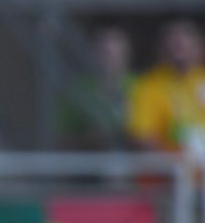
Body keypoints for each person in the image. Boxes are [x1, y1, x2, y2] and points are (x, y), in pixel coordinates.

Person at [127, 18, 205, 156]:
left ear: (199, 47)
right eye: (174, 47)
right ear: (162, 50)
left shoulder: (201, 79)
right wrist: (176, 156)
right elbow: (142, 134)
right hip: (167, 170)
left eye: (183, 46)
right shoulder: (149, 85)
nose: (179, 53)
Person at [54, 25, 134, 150]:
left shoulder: (141, 86)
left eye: (114, 53)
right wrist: (88, 137)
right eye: (104, 52)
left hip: (132, 160)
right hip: (91, 160)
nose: (109, 59)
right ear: (94, 53)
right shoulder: (79, 89)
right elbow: (64, 136)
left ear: (126, 53)